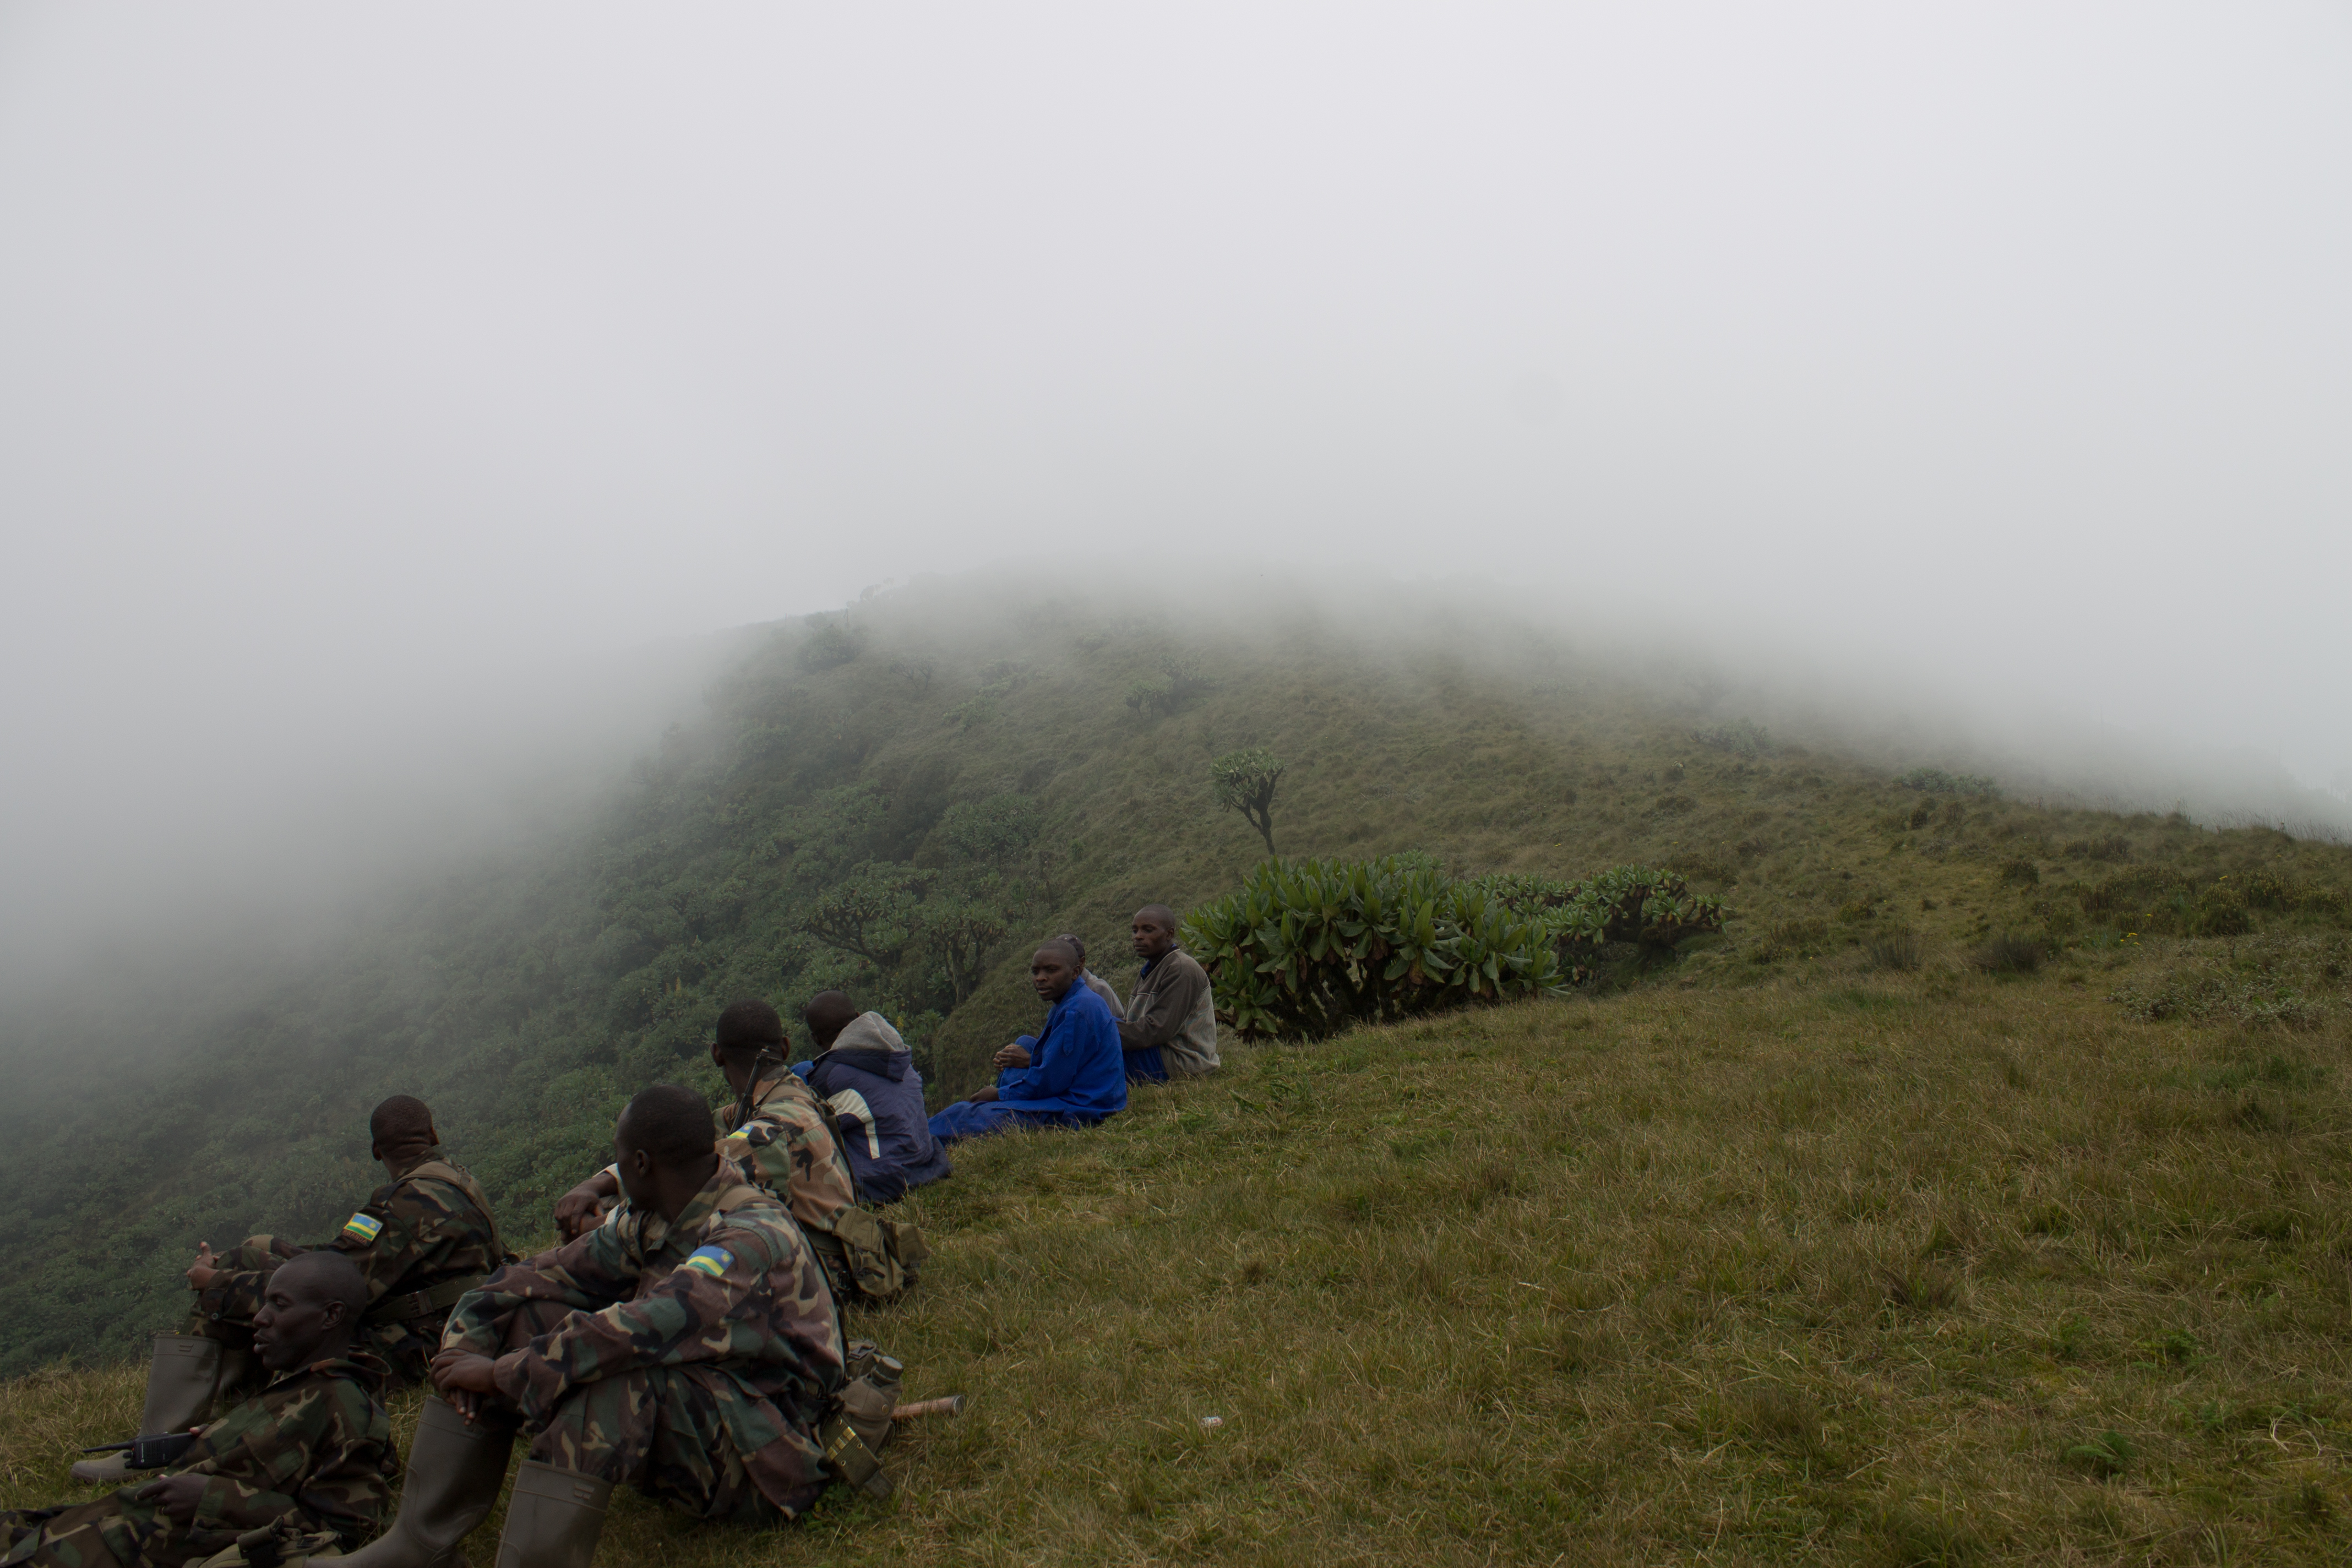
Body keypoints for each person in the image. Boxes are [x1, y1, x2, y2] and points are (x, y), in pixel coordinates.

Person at [343, 1086, 844, 1568]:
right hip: (712, 1400)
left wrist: (498, 1375)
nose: (615, 1173)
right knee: (523, 1316)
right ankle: (420, 1541)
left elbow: (640, 1329)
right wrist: (465, 1348)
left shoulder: (747, 1236)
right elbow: (534, 1276)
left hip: (773, 1453)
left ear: (642, 1164)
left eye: (620, 1159)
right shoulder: (657, 1217)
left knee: (610, 1383)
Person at [75, 1097, 506, 1485]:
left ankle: (159, 1441)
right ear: (432, 1135)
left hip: (416, 1345)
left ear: (377, 1151)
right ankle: (231, 1397)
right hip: (445, 1323)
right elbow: (347, 1259)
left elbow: (331, 1290)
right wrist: (236, 1261)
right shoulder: (455, 1181)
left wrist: (217, 1284)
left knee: (242, 1296)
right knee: (253, 1250)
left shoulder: (402, 1205)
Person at [6, 1252, 395, 1568]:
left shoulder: (345, 1407)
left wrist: (216, 1495)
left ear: (331, 1316)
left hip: (135, 1548)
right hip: (117, 1523)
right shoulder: (299, 1383)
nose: (260, 1317)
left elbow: (345, 1529)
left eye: (280, 1305)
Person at [553, 1000, 919, 1304]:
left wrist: (595, 1225)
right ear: (786, 1048)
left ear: (717, 1055)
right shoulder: (792, 1093)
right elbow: (683, 1137)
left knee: (672, 1222)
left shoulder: (770, 1131)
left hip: (826, 1280)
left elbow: (685, 1172)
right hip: (836, 1257)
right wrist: (601, 1182)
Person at [928, 940, 1125, 1142]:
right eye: (1035, 971)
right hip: (1087, 1089)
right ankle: (999, 1106)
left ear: (1075, 972)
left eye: (1051, 970)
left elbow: (1051, 1082)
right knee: (1023, 1047)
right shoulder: (1072, 1000)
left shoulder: (1077, 1011)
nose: (1040, 978)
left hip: (1084, 1106)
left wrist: (999, 1095)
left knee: (963, 1115)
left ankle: (920, 1139)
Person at [794, 992, 952, 1203]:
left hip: (884, 1179)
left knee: (801, 1083)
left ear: (815, 1038)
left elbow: (813, 1132)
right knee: (805, 1070)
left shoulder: (828, 1077)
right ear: (858, 1017)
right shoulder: (894, 1049)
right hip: (924, 1158)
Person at [1116, 905, 1221, 1083]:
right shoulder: (1151, 969)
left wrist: (1103, 1031)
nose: (1138, 936)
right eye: (1135, 931)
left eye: (1148, 930)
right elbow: (1133, 1023)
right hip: (1155, 1050)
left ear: (1169, 934)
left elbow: (1157, 1030)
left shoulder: (1182, 969)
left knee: (1096, 1064)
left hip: (1180, 1060)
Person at [1057, 933, 1124, 1016]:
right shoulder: (1064, 989)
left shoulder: (1097, 989)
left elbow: (1107, 1026)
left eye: (1063, 961)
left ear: (1081, 962)